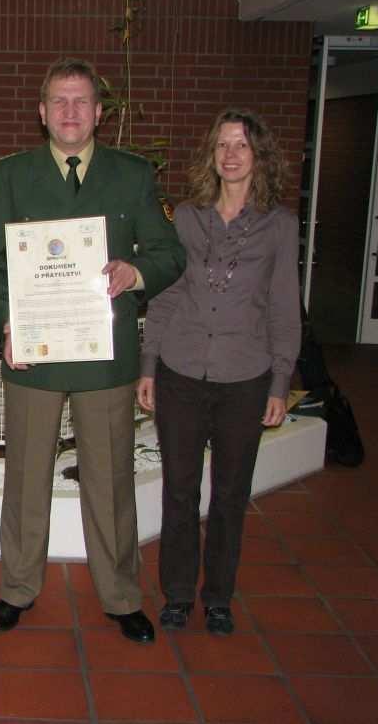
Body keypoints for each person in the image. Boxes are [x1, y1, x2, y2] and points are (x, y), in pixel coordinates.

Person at [0, 57, 185, 643]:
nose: (70, 112)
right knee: (25, 479)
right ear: (42, 113)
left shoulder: (132, 174)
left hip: (103, 355)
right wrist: (8, 317)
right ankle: (17, 588)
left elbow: (169, 254)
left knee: (111, 480)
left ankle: (120, 594)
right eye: (59, 102)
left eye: (81, 102)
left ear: (98, 113)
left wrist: (134, 272)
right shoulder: (12, 175)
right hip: (33, 354)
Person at [137, 109, 300, 636]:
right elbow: (163, 298)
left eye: (242, 146)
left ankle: (219, 596)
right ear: (213, 155)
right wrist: (148, 366)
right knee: (179, 490)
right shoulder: (185, 217)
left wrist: (280, 381)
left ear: (259, 158)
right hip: (181, 371)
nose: (230, 154)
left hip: (245, 377)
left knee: (230, 494)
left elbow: (283, 308)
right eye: (223, 145)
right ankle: (179, 593)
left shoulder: (280, 226)